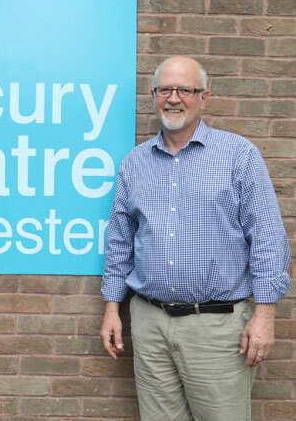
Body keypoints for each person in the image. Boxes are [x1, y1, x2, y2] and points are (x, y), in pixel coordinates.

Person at [100, 56, 290, 421]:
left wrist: (264, 316)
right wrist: (112, 308)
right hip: (149, 324)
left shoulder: (238, 156)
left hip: (218, 330)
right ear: (153, 95)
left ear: (204, 97)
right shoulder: (134, 163)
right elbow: (120, 243)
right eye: (165, 90)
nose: (174, 98)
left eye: (185, 90)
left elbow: (267, 238)